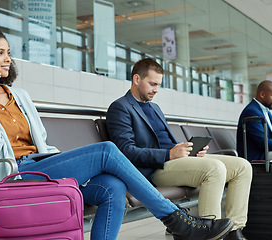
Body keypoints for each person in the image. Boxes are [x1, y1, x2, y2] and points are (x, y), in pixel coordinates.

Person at [0, 23, 233, 240]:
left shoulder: (21, 97)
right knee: (106, 150)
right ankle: (175, 219)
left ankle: (177, 221)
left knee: (112, 186)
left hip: (40, 169)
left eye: (8, 53)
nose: (7, 59)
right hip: (10, 179)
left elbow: (40, 142)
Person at [106, 58, 252, 240]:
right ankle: (208, 233)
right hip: (154, 169)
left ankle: (233, 232)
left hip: (175, 161)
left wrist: (188, 150)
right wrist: (170, 154)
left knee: (242, 167)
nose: (156, 90)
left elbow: (165, 141)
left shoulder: (155, 108)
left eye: (158, 85)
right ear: (136, 79)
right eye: (152, 84)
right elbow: (126, 151)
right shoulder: (120, 108)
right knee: (214, 168)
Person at [237, 80, 272, 167]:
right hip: (257, 156)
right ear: (262, 94)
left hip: (266, 152)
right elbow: (263, 143)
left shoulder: (265, 112)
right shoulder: (252, 111)